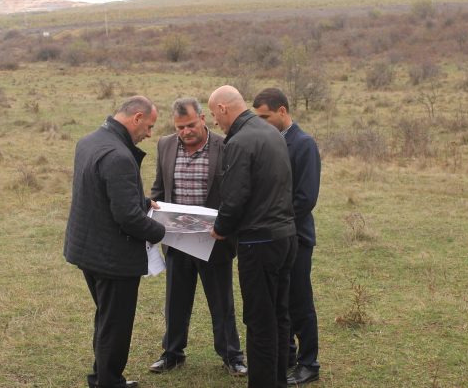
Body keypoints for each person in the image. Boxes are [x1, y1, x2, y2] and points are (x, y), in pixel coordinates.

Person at [64, 95, 166, 388]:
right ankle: (109, 382)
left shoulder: (90, 141)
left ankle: (102, 377)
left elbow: (101, 190)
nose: (149, 133)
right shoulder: (119, 155)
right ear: (136, 118)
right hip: (112, 258)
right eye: (149, 126)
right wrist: (163, 233)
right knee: (116, 324)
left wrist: (143, 201)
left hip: (87, 250)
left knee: (106, 318)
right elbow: (128, 219)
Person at [148, 98, 247, 376]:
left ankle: (232, 356)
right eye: (180, 127)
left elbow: (234, 192)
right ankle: (172, 354)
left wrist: (226, 227)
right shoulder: (165, 145)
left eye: (191, 124)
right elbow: (159, 186)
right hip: (177, 240)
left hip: (214, 240)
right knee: (175, 301)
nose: (186, 131)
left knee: (221, 301)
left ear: (203, 118)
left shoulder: (225, 146)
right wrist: (152, 211)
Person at [207, 85, 297, 388]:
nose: (215, 123)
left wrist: (220, 228)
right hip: (286, 236)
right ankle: (278, 379)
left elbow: (233, 198)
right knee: (279, 315)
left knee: (259, 321)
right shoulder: (272, 132)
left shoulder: (240, 141)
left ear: (223, 108)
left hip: (258, 242)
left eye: (213, 115)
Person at [253, 88, 322, 386]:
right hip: (274, 238)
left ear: (282, 111)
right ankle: (288, 355)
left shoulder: (303, 144)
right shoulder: (267, 143)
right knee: (279, 301)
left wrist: (274, 221)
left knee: (299, 300)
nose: (262, 123)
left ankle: (309, 362)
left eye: (265, 117)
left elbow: (306, 198)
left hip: (296, 237)